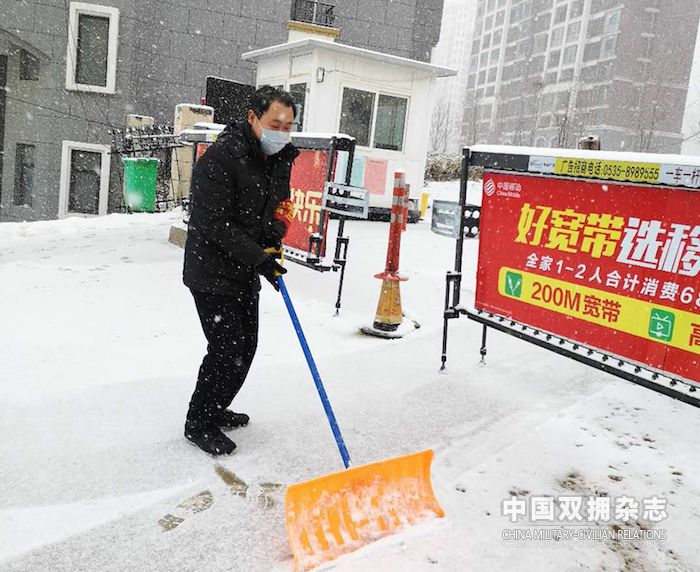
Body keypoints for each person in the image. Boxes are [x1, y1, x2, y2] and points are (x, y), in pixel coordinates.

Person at [182, 85, 299, 455]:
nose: (282, 131)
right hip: (211, 271)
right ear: (252, 117)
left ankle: (216, 407)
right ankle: (198, 421)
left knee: (246, 347)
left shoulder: (279, 158)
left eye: (289, 125)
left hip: (244, 268)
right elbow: (214, 224)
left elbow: (280, 207)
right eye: (275, 123)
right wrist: (259, 257)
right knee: (225, 347)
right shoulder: (220, 159)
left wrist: (272, 243)